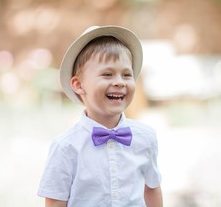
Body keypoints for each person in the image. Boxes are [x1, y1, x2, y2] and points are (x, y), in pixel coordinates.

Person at [37, 25, 163, 207]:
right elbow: (55, 203)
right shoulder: (65, 147)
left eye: (127, 75)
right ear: (79, 85)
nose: (119, 82)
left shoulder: (145, 138)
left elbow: (151, 188)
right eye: (107, 74)